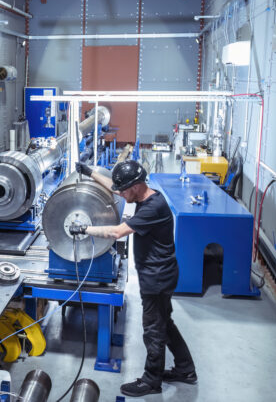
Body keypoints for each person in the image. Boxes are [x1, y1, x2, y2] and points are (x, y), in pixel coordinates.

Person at [70, 160, 197, 397]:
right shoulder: (141, 195)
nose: (121, 193)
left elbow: (117, 231)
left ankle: (151, 381)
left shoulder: (153, 207)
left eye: (125, 190)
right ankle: (185, 370)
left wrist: (84, 229)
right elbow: (114, 186)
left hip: (157, 278)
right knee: (164, 324)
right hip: (160, 274)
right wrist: (90, 172)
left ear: (137, 186)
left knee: (153, 330)